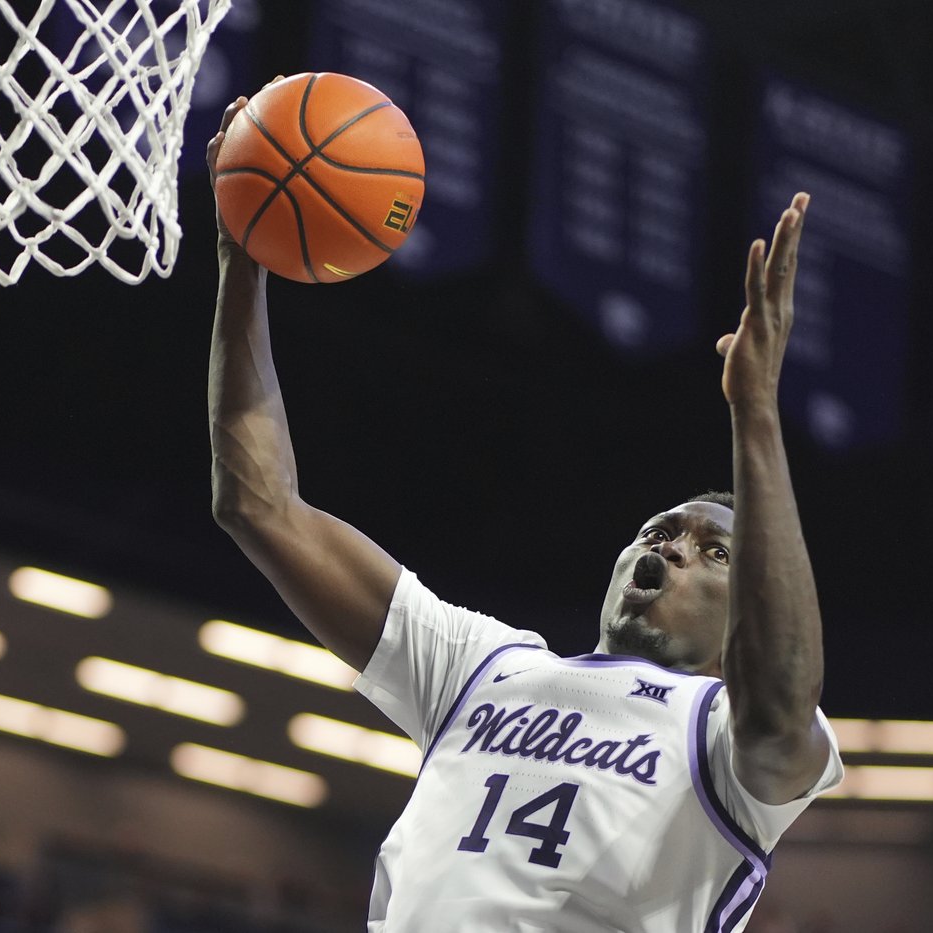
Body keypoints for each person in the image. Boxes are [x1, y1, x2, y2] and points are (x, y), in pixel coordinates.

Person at [206, 89, 843, 932]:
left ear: (748, 616)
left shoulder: (726, 736)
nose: (673, 550)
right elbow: (259, 504)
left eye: (715, 551)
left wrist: (754, 413)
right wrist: (243, 256)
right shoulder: (483, 666)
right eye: (660, 533)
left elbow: (784, 693)